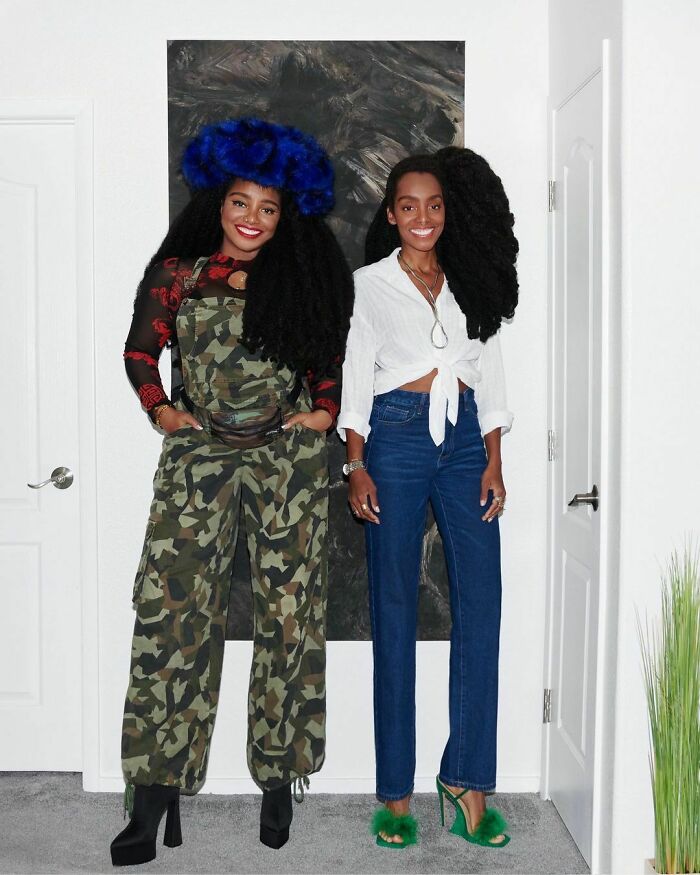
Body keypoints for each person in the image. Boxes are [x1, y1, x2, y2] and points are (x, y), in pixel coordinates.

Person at [110, 117, 353, 866]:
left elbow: (323, 357)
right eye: (241, 203)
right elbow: (140, 348)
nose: (252, 219)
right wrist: (162, 410)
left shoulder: (300, 276)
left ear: (286, 216)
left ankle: (279, 773)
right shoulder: (180, 273)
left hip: (287, 460)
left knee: (290, 614)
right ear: (220, 202)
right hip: (197, 458)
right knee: (171, 616)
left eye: (268, 208)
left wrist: (322, 412)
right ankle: (153, 791)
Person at [337, 148, 518, 849]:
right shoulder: (368, 284)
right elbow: (355, 372)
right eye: (408, 205)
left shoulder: (471, 278)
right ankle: (395, 794)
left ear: (448, 211)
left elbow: (490, 371)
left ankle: (467, 780)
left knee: (482, 605)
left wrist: (496, 458)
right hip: (398, 438)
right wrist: (356, 462)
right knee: (394, 608)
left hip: (468, 440)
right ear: (390, 213)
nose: (422, 217)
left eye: (434, 205)